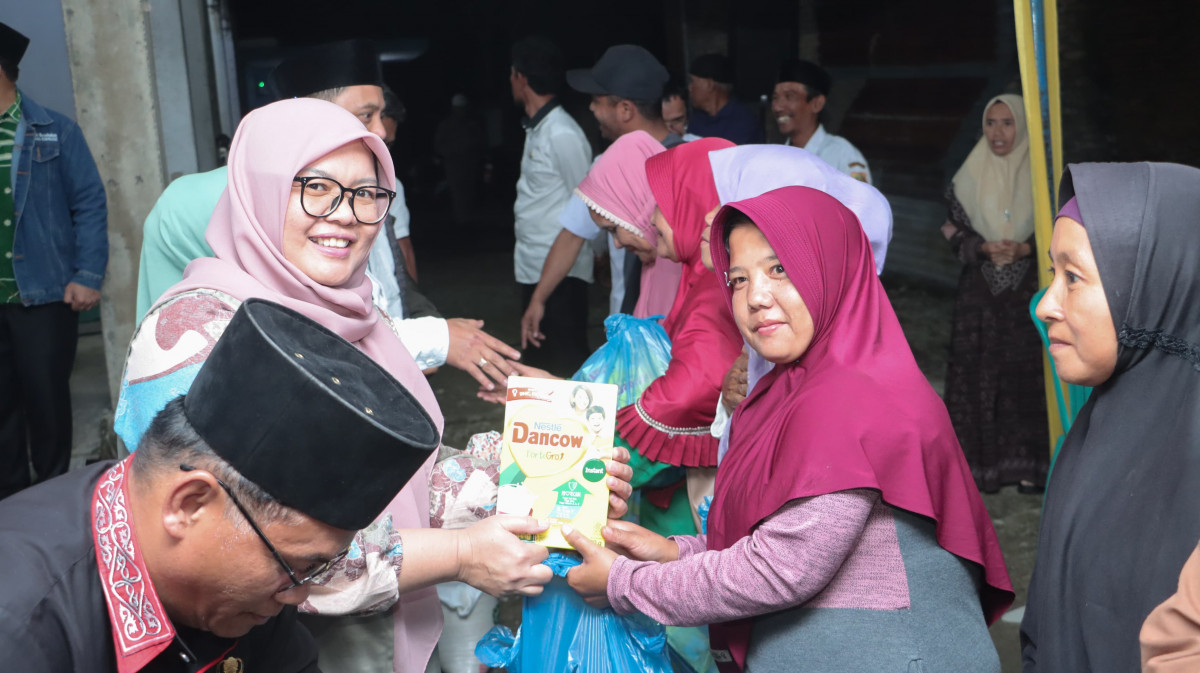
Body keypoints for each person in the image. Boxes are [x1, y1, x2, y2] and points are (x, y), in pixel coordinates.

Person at [114, 98, 634, 673]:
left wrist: (555, 472)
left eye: (366, 194)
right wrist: (461, 556)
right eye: (316, 188)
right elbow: (240, 543)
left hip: (383, 628)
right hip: (254, 646)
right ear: (260, 189)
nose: (345, 214)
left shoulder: (359, 318)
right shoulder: (194, 332)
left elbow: (405, 479)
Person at [563, 186, 1014, 672]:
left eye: (779, 269)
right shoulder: (788, 390)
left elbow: (780, 569)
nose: (755, 298)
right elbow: (781, 534)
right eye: (738, 279)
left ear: (832, 269)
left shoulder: (854, 398)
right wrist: (671, 552)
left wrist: (624, 583)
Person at [0, 297, 442, 670]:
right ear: (189, 504)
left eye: (316, 570)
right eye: (298, 567)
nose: (300, 594)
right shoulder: (20, 629)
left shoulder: (252, 580)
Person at [134, 39, 516, 392]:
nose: (382, 131)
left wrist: (418, 336)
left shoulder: (367, 189)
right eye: (366, 116)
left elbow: (385, 285)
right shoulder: (236, 200)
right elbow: (292, 336)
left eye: (364, 194)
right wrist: (433, 340)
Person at [1021, 162, 1200, 673]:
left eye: (1073, 277)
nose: (1045, 305)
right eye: (1052, 274)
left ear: (1156, 285)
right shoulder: (1097, 428)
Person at [703, 143, 893, 450]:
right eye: (739, 279)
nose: (711, 215)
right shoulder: (770, 345)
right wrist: (736, 406)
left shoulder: (851, 407)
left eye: (779, 268)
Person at [0, 22, 107, 500]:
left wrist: (87, 274)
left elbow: (89, 203)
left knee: (46, 402)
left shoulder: (54, 131)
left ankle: (50, 499)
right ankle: (10, 503)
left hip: (43, 293)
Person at [617, 137, 743, 533]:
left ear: (695, 203)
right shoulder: (700, 275)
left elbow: (687, 394)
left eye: (662, 205)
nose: (652, 220)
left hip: (687, 505)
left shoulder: (713, 289)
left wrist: (601, 451)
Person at [520, 45, 679, 352]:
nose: (591, 109)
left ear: (625, 110)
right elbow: (572, 234)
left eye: (597, 100)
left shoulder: (694, 167)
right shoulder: (606, 171)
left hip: (679, 337)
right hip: (628, 325)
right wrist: (538, 299)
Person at [939, 94, 1047, 494]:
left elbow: (1063, 229)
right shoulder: (968, 176)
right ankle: (980, 468)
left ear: (1022, 127)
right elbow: (951, 230)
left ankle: (1028, 468)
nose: (997, 132)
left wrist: (1028, 248)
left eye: (1007, 123)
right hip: (978, 300)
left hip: (1027, 297)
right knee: (977, 375)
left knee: (1025, 380)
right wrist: (981, 247)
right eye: (990, 123)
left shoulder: (1044, 179)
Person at [509, 36, 594, 377]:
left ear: (520, 78)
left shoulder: (562, 133)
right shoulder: (539, 128)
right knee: (540, 367)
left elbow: (587, 204)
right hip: (536, 267)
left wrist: (598, 254)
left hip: (562, 272)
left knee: (565, 368)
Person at [772, 59, 871, 183]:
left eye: (790, 96)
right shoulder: (775, 158)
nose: (777, 107)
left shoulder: (843, 155)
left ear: (817, 104)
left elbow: (860, 196)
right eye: (775, 97)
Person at [685, 54, 762, 145]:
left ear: (709, 84)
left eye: (693, 81)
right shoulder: (696, 120)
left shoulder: (744, 122)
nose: (690, 88)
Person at [433, 94, 486, 224]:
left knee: (470, 191)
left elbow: (480, 142)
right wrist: (451, 153)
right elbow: (439, 145)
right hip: (454, 164)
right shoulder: (447, 125)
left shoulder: (472, 125)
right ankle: (461, 221)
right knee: (458, 192)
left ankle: (468, 220)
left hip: (470, 163)